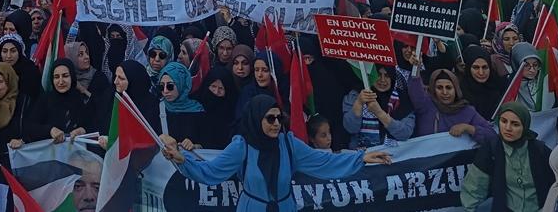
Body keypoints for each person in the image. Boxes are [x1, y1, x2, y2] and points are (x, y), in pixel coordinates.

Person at [162, 94, 391, 212]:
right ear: (256, 118)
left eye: (278, 118)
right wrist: (183, 159)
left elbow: (324, 161)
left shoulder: (289, 144)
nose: (275, 124)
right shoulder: (242, 145)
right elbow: (211, 172)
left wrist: (360, 157)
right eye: (269, 118)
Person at [460, 101, 555, 212]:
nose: (508, 128)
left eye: (515, 124)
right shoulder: (492, 149)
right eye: (504, 121)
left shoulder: (540, 150)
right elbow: (474, 187)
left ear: (524, 126)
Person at [408, 63, 496, 143]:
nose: (445, 92)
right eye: (439, 88)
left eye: (449, 88)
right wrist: (416, 66)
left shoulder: (467, 111)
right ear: (433, 90)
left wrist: (469, 128)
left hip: (459, 160)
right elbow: (415, 89)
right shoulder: (425, 105)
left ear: (456, 89)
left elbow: (491, 135)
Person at [342, 65, 414, 149]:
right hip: (362, 156)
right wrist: (359, 103)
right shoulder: (355, 95)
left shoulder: (401, 98)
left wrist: (379, 112)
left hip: (393, 156)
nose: (382, 80)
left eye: (387, 76)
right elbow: (350, 128)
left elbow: (405, 134)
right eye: (378, 74)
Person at [23, 59, 89, 143]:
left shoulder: (82, 100)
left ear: (72, 77)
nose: (61, 82)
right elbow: (30, 127)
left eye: (65, 76)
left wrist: (83, 130)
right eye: (56, 77)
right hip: (50, 153)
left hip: (77, 153)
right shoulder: (45, 100)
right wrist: (50, 130)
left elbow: (93, 124)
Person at [159, 62, 206, 149]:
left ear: (181, 83)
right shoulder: (157, 108)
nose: (165, 91)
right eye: (161, 86)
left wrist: (195, 146)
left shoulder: (198, 111)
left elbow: (208, 143)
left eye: (170, 86)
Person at [459, 45, 507, 119]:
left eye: (485, 67)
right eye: (476, 67)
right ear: (468, 67)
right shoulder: (460, 91)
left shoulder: (499, 85)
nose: (481, 73)